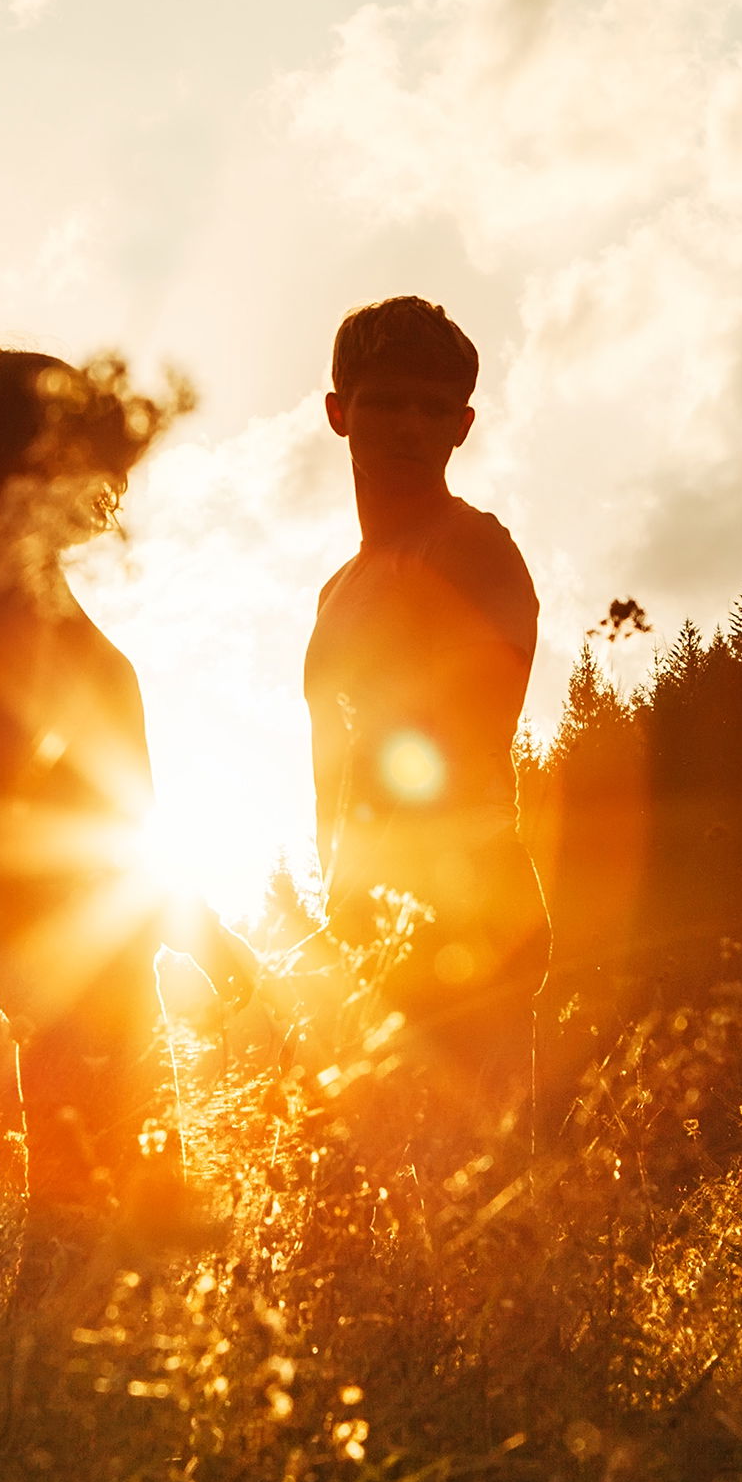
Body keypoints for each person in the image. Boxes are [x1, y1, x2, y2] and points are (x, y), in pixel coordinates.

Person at [0, 350, 256, 1272]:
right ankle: (46, 1358)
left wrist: (182, 921)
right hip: (63, 937)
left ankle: (64, 1357)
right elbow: (6, 799)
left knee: (112, 1215)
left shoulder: (19, 583)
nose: (97, 474)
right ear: (19, 457)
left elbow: (91, 801)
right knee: (93, 1221)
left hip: (84, 933)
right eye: (69, 446)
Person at [303, 298, 548, 1113]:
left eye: (434, 408)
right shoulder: (336, 593)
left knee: (473, 1181)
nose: (411, 426)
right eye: (386, 402)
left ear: (462, 427)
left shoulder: (472, 549)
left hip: (466, 928)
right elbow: (329, 777)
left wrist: (395, 925)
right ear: (339, 412)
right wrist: (339, 927)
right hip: (367, 936)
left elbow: (466, 746)